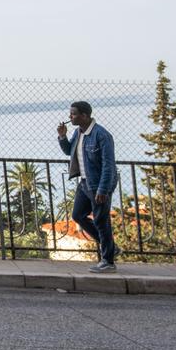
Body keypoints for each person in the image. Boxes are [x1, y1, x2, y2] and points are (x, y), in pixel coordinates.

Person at [57, 101, 119, 273]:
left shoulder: (101, 135)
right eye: (70, 114)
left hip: (98, 183)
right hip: (84, 182)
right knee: (77, 215)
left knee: (101, 220)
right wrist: (62, 136)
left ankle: (108, 261)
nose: (70, 117)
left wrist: (103, 189)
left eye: (73, 114)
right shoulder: (78, 132)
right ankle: (111, 248)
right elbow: (70, 151)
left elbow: (108, 165)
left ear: (84, 115)